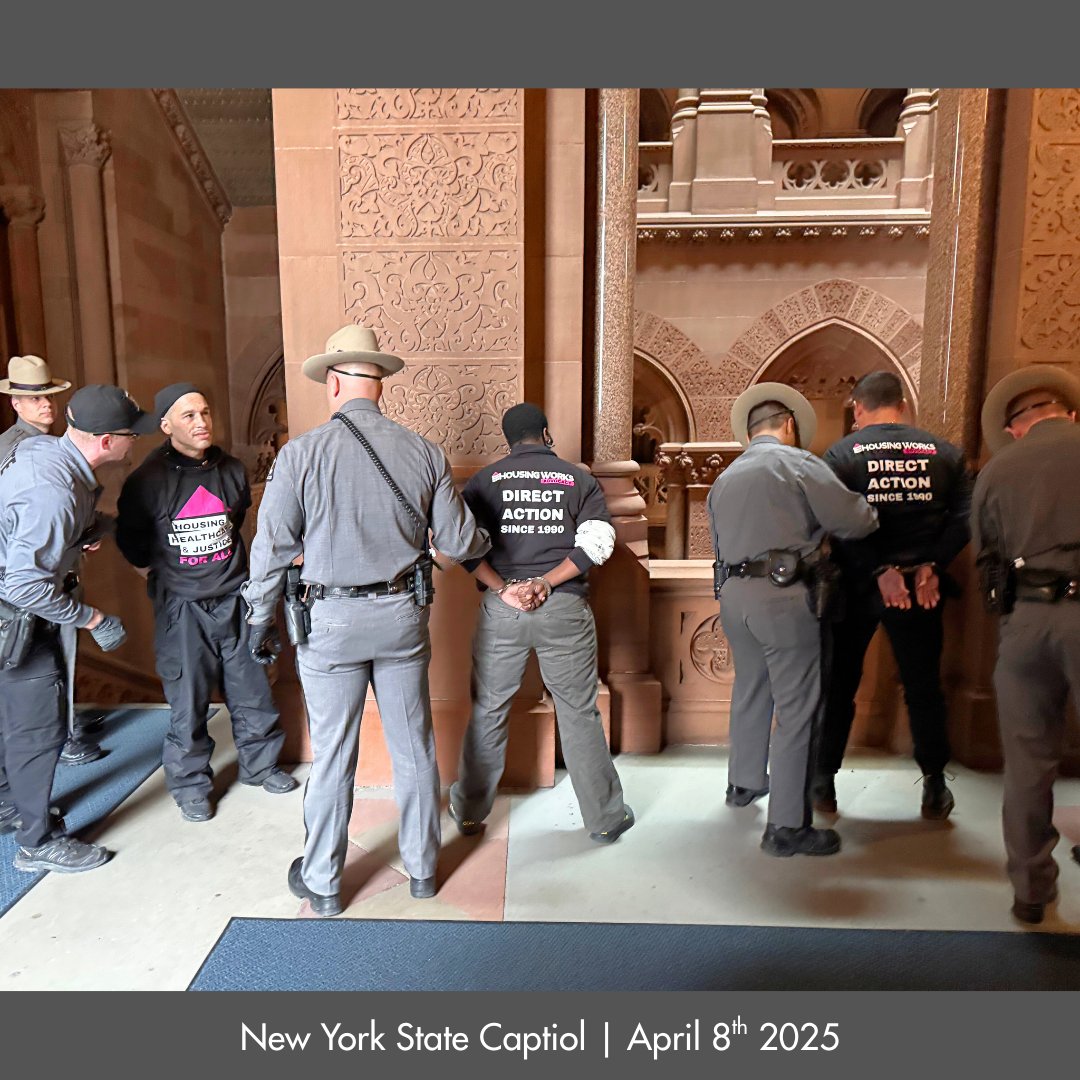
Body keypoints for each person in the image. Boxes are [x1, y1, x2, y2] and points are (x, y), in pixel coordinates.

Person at [242, 324, 491, 917]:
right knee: (414, 746)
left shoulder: (299, 455)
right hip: (403, 617)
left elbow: (271, 547)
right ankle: (424, 870)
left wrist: (257, 617)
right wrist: (435, 548)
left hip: (329, 622)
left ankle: (325, 882)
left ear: (333, 382)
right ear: (380, 385)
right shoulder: (424, 451)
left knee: (333, 754)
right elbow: (461, 542)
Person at [448, 402, 633, 847]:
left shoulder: (484, 481)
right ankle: (605, 818)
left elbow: (463, 546)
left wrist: (505, 589)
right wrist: (546, 584)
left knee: (490, 709)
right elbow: (599, 544)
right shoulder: (579, 479)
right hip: (564, 607)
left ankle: (471, 813)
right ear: (545, 435)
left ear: (509, 440)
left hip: (503, 612)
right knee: (577, 712)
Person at [708, 383, 878, 857]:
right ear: (787, 424)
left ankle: (743, 783)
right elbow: (856, 521)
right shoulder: (798, 464)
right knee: (799, 708)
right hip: (784, 597)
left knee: (751, 687)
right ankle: (786, 827)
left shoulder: (727, 476)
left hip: (734, 597)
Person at [116, 383, 299, 823]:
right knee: (188, 699)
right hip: (182, 610)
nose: (201, 423)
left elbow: (235, 521)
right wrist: (171, 582)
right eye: (188, 416)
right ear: (166, 426)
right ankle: (191, 785)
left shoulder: (231, 471)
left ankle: (262, 766)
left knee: (252, 690)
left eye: (205, 412)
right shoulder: (147, 481)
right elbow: (133, 546)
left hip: (236, 599)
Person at [0, 384, 155, 872]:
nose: (137, 441)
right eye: (132, 434)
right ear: (106, 441)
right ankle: (36, 843)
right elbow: (24, 586)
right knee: (39, 730)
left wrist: (93, 529)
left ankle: (10, 804)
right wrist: (93, 619)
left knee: (14, 719)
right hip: (14, 619)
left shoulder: (50, 453)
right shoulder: (55, 491)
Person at [813, 372, 973, 819]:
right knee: (924, 688)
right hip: (922, 588)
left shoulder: (842, 454)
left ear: (857, 408)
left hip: (859, 585)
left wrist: (879, 568)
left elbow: (835, 524)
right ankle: (936, 788)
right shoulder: (946, 454)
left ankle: (823, 784)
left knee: (840, 683)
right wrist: (930, 564)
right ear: (902, 406)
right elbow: (964, 519)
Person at [971, 365, 1080, 925]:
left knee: (1029, 761)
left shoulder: (996, 471)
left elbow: (985, 558)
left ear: (1015, 426)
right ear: (1070, 413)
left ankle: (1032, 890)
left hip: (1027, 621)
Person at [0, 355, 103, 768]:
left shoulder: (46, 443)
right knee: (43, 663)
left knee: (57, 659)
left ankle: (65, 727)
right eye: (35, 398)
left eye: (50, 395)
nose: (46, 404)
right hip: (32, 578)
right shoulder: (22, 449)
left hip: (52, 566)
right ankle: (61, 738)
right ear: (16, 404)